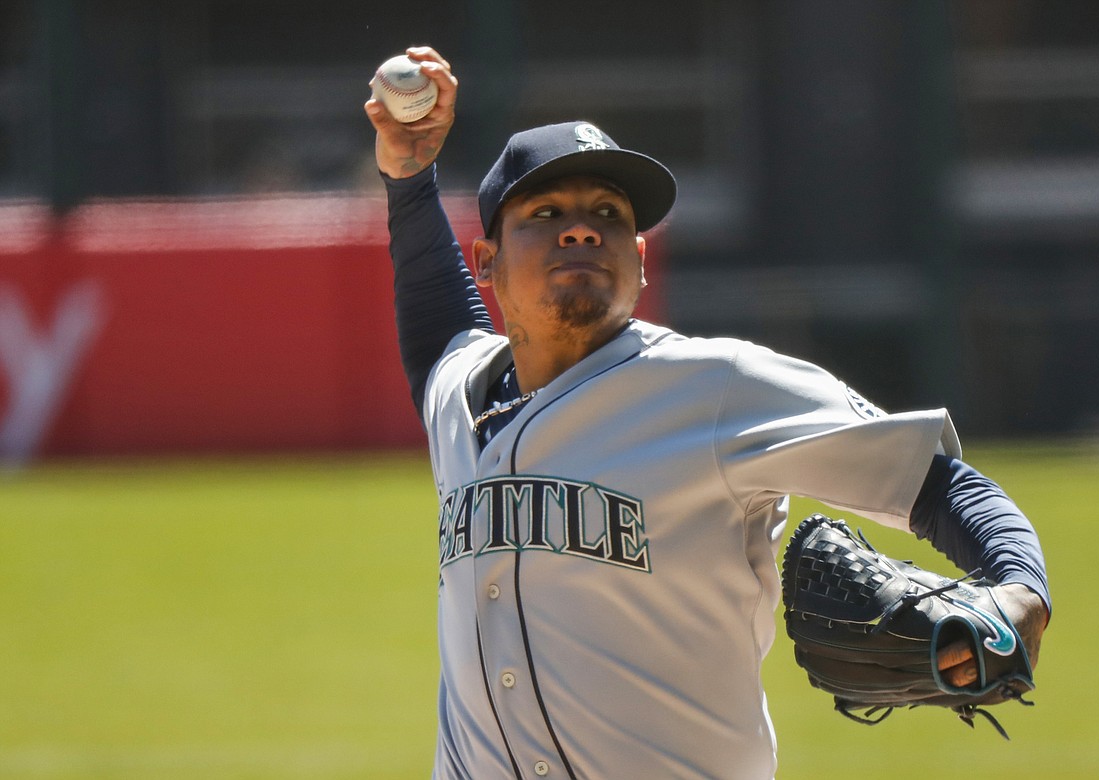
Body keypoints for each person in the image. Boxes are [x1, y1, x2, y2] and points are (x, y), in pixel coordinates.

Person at [365, 47, 1049, 780]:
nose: (581, 229)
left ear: (641, 257)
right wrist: (408, 179)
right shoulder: (462, 391)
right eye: (545, 213)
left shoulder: (719, 387)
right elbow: (438, 327)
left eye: (608, 214)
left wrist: (1020, 591)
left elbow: (940, 485)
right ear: (486, 261)